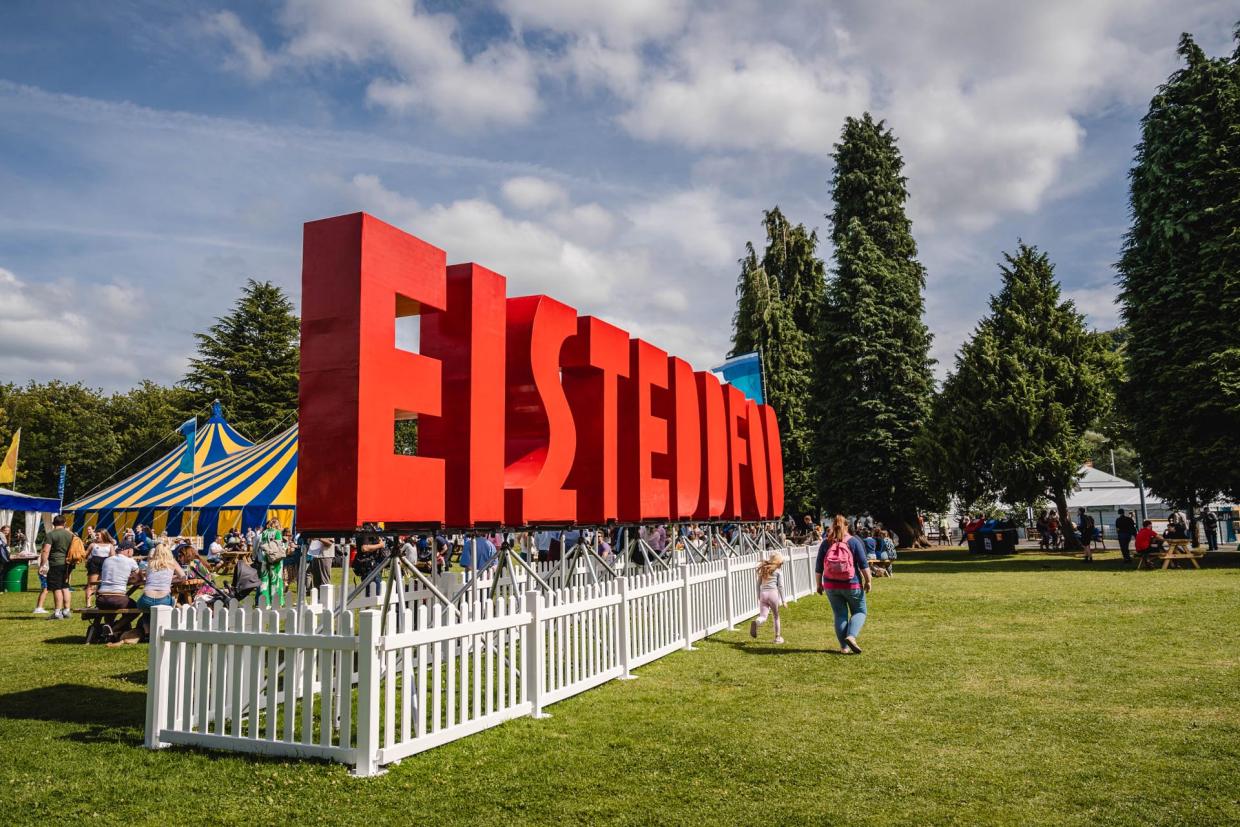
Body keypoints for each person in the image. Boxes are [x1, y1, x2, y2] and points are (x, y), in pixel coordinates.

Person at [816, 514, 871, 655]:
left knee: (839, 614)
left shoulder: (825, 542)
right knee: (860, 611)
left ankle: (843, 647)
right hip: (851, 584)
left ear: (832, 526)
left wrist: (818, 584)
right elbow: (864, 565)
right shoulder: (853, 541)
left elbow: (818, 567)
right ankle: (851, 636)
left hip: (830, 585)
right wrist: (868, 581)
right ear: (846, 526)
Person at [96, 542, 140, 638]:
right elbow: (139, 577)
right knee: (136, 608)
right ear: (129, 550)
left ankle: (108, 626)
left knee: (110, 607)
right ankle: (114, 628)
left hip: (101, 599)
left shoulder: (107, 560)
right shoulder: (130, 561)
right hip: (118, 598)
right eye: (133, 551)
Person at [138, 542, 184, 632]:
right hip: (163, 600)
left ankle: (147, 632)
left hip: (146, 600)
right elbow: (183, 577)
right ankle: (162, 629)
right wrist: (170, 579)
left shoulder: (150, 563)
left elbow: (148, 578)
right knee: (174, 602)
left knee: (146, 611)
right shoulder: (172, 562)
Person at [39, 515, 77, 620]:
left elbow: (46, 550)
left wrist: (43, 564)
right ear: (64, 523)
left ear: (53, 523)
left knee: (56, 588)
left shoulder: (51, 535)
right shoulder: (70, 535)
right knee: (65, 586)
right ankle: (67, 610)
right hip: (68, 563)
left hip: (55, 563)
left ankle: (57, 612)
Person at [749, 551, 786, 644]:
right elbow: (780, 586)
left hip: (763, 594)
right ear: (778, 562)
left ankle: (757, 622)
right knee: (776, 616)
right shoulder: (778, 572)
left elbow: (758, 585)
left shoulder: (764, 570)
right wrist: (783, 600)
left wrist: (758, 596)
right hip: (773, 594)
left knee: (763, 616)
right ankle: (777, 638)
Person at [255, 518, 288, 608]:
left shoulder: (264, 533)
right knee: (276, 580)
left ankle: (265, 603)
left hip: (265, 558)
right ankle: (277, 602)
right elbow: (280, 547)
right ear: (277, 525)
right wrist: (286, 544)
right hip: (275, 559)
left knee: (265, 581)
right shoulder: (277, 533)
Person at [83, 528, 116, 608]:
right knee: (91, 585)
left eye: (98, 535)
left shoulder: (110, 545)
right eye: (96, 535)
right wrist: (86, 560)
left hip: (105, 565)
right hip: (94, 565)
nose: (96, 536)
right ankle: (88, 604)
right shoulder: (93, 545)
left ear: (104, 535)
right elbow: (85, 555)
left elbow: (113, 557)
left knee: (101, 585)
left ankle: (99, 603)